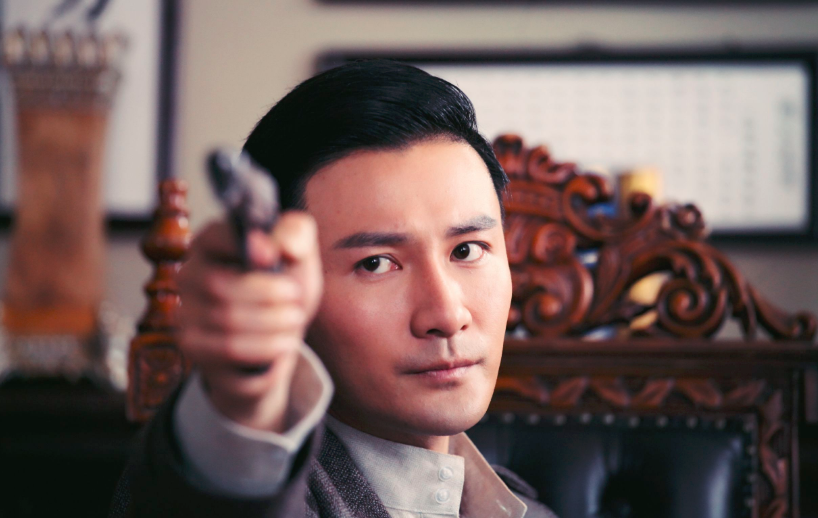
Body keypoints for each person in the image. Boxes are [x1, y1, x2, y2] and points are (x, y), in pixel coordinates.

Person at [113, 60, 557, 518]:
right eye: (375, 263)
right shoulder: (222, 487)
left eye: (466, 250)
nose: (446, 315)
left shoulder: (527, 508)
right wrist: (240, 404)